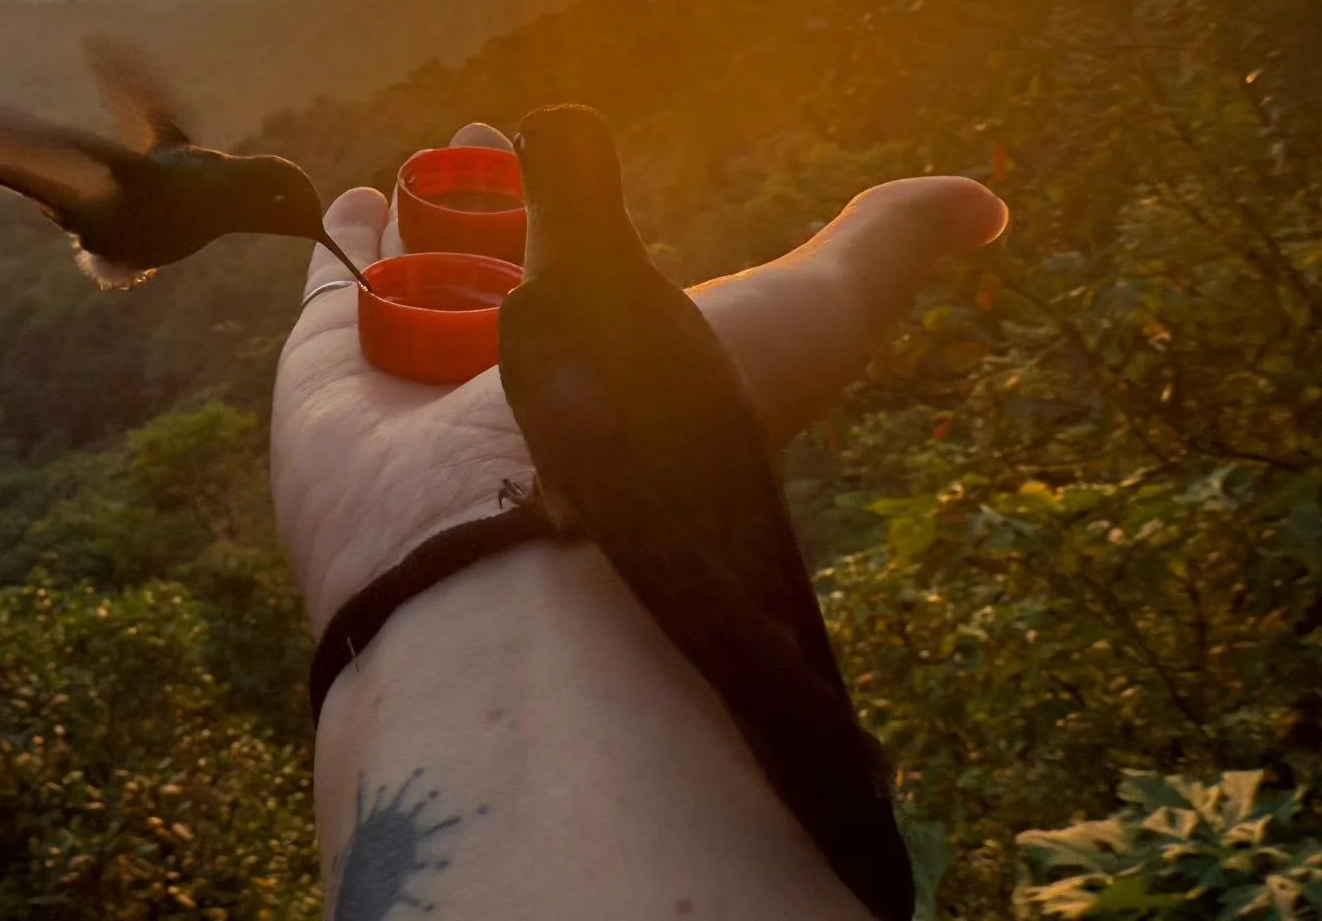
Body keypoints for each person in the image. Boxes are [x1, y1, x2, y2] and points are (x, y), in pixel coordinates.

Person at [273, 123, 1009, 919]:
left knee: (761, 674)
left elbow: (594, 476)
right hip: (686, 506)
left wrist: (455, 554)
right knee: (781, 701)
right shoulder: (649, 298)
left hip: (623, 510)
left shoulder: (539, 316)